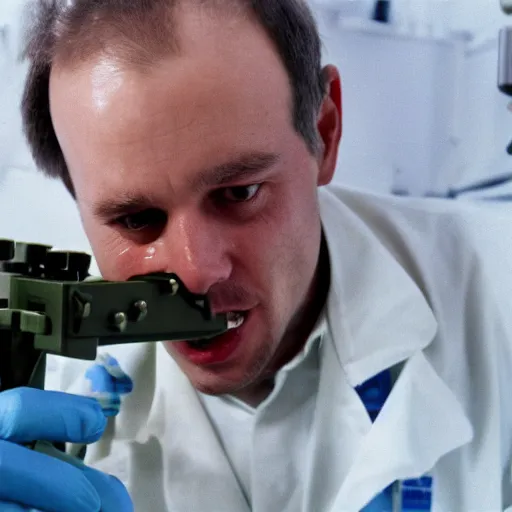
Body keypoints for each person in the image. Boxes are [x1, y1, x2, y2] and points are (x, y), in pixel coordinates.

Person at [0, 0, 511, 510]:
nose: (196, 272)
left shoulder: (497, 296)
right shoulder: (40, 399)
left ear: (325, 133)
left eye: (240, 193)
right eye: (137, 220)